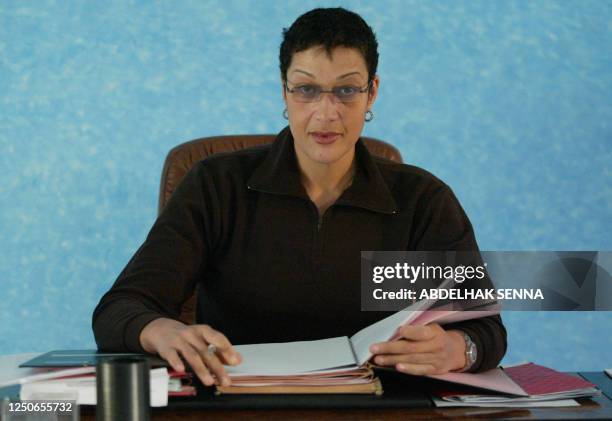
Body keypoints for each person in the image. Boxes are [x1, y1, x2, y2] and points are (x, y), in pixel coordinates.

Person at [93, 7, 507, 388]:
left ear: (372, 92)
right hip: (238, 402)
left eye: (346, 91)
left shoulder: (423, 200)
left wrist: (458, 349)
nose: (326, 113)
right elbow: (120, 309)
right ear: (284, 91)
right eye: (306, 90)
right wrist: (162, 330)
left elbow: (486, 329)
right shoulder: (215, 186)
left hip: (377, 405)